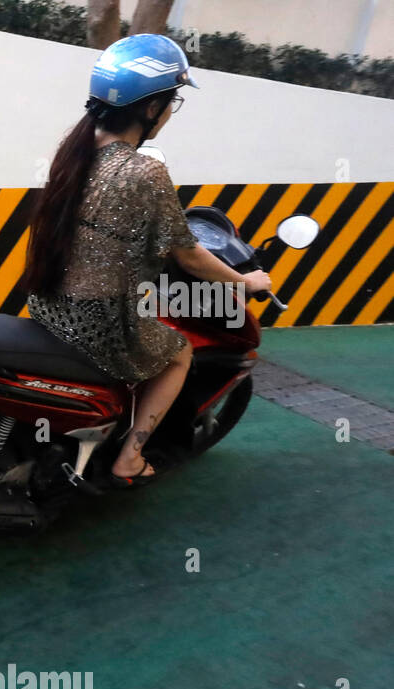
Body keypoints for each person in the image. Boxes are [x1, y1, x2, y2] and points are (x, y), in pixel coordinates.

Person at [22, 34, 272, 486]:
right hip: (99, 321)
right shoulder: (144, 170)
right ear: (149, 108)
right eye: (171, 102)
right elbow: (190, 257)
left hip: (47, 304)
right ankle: (128, 460)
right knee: (178, 354)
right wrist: (244, 283)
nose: (169, 114)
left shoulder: (74, 151)